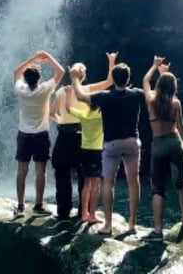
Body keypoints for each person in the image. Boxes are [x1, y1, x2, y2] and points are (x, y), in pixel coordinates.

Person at [72, 57, 145, 236]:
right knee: (133, 182)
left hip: (111, 144)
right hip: (131, 141)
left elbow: (80, 96)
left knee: (108, 182)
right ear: (128, 79)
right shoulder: (136, 93)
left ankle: (108, 225)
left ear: (114, 79)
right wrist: (160, 72)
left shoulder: (104, 96)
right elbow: (154, 95)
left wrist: (74, 78)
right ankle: (132, 224)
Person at [49, 53, 116, 220]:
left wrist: (61, 123)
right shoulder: (87, 91)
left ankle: (63, 212)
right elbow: (110, 81)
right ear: (84, 75)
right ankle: (83, 213)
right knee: (84, 177)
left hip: (63, 137)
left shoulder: (61, 92)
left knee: (62, 175)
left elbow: (51, 113)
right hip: (82, 136)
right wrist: (111, 62)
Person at [141, 55, 183, 241]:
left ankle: (157, 230)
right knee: (181, 183)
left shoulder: (151, 100)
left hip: (159, 144)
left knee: (157, 188)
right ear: (174, 88)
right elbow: (181, 127)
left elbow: (145, 81)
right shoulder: (176, 103)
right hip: (175, 142)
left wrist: (155, 67)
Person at [13, 50, 65, 216]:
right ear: (39, 79)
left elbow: (16, 72)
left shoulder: (20, 89)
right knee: (40, 171)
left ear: (25, 79)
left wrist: (34, 59)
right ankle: (38, 206)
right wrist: (47, 57)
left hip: (23, 134)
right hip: (41, 134)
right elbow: (61, 71)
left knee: (22, 170)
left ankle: (20, 206)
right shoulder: (45, 89)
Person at [65, 68, 104, 223]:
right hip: (96, 152)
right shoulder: (101, 117)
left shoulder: (84, 115)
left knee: (86, 183)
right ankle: (92, 215)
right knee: (96, 184)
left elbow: (68, 109)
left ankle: (83, 215)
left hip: (83, 151)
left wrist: (68, 95)